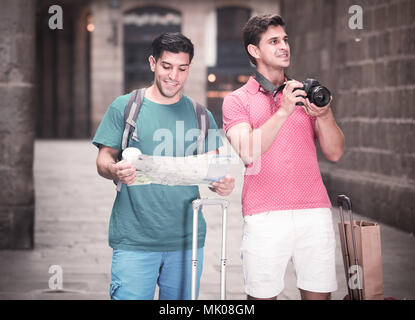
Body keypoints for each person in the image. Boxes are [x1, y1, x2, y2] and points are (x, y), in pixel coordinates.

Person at [93, 32, 235, 300]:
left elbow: (216, 169)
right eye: (166, 66)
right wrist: (115, 169)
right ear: (152, 63)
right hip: (134, 240)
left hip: (186, 242)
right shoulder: (125, 108)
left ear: (189, 68)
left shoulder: (202, 116)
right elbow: (103, 159)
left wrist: (223, 183)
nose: (174, 76)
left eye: (182, 69)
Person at [222, 14, 344, 300]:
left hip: (314, 212)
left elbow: (335, 152)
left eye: (285, 40)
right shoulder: (237, 100)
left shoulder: (306, 94)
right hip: (264, 215)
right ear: (254, 50)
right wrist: (283, 111)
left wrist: (324, 115)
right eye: (274, 41)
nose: (284, 46)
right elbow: (248, 151)